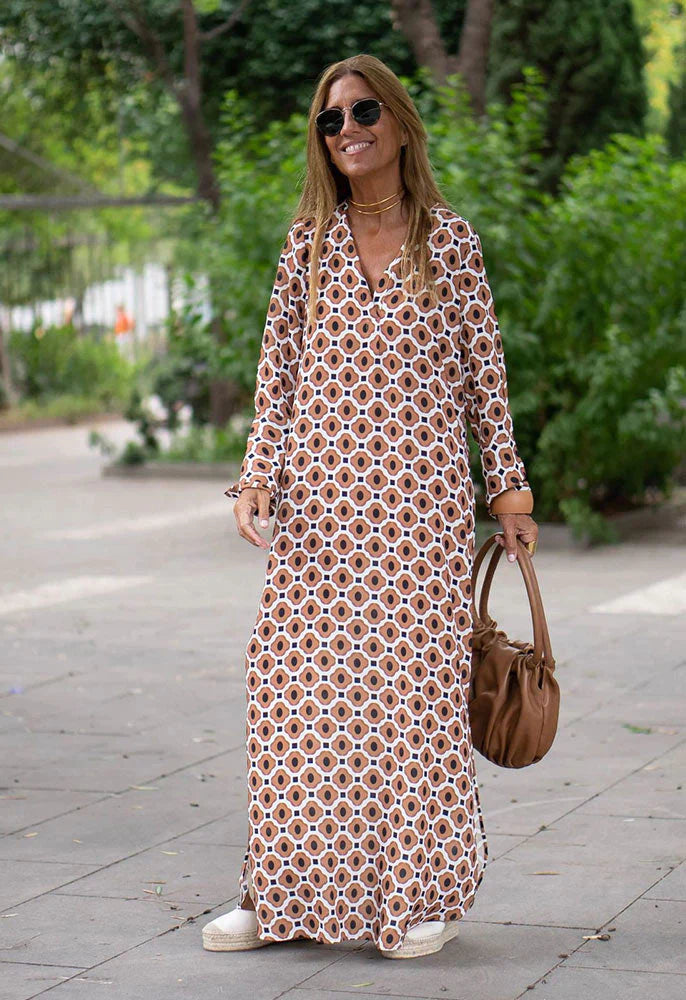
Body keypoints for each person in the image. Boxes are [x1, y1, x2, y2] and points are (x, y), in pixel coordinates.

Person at [203, 54, 539, 959]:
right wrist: (258, 476)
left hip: (420, 513)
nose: (346, 131)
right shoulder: (306, 245)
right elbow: (276, 378)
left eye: (361, 113)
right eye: (329, 120)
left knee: (413, 704)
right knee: (293, 696)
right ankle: (278, 891)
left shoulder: (451, 242)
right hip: (321, 513)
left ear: (397, 121)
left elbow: (486, 380)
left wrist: (508, 491)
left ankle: (420, 893)